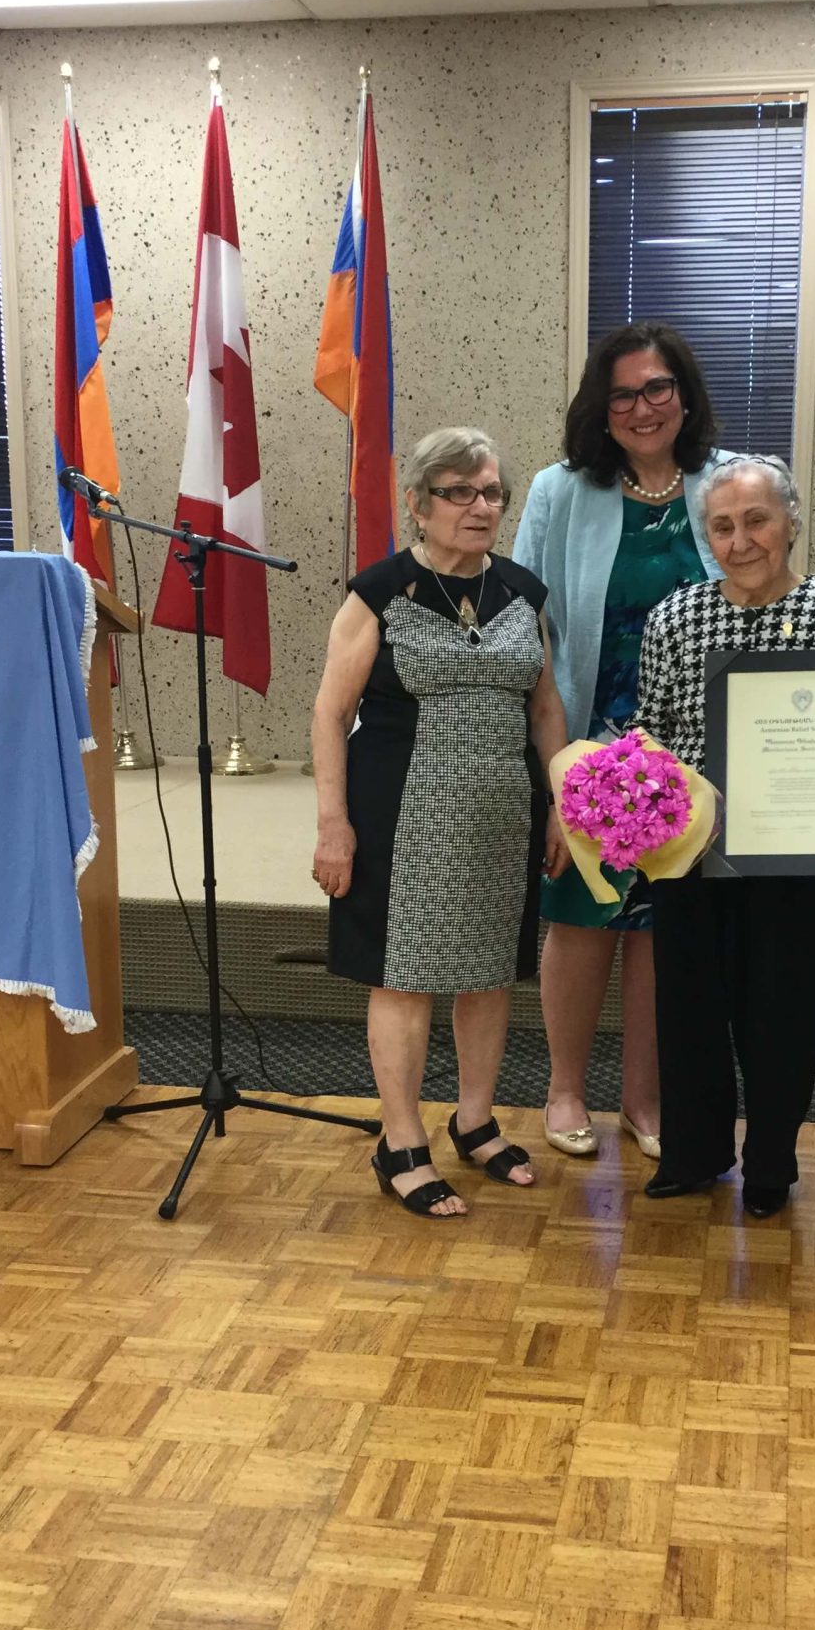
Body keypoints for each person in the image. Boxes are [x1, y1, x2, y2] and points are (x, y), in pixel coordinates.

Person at [635, 457, 815, 1217]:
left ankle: (770, 1161)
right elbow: (651, 729)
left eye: (757, 521)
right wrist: (617, 795)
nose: (740, 541)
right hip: (689, 851)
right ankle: (694, 1154)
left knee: (783, 1010)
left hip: (802, 853)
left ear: (791, 521)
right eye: (722, 527)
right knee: (690, 1010)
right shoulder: (674, 618)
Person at [312, 427, 570, 1219]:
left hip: (502, 812)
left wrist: (560, 806)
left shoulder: (523, 592)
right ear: (419, 505)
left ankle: (475, 1121)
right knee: (405, 975)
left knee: (489, 971)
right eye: (459, 492)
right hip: (400, 811)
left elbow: (545, 709)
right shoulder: (380, 591)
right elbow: (330, 712)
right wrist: (333, 823)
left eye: (491, 492)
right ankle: (400, 1143)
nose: (480, 506)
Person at [512, 322, 737, 1162]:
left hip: (695, 753)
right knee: (580, 921)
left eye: (657, 388)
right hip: (590, 748)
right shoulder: (559, 490)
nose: (642, 408)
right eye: (622, 395)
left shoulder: (730, 482)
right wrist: (553, 773)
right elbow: (530, 628)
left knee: (660, 931)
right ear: (599, 408)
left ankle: (646, 1098)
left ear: (684, 395)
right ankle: (565, 1088)